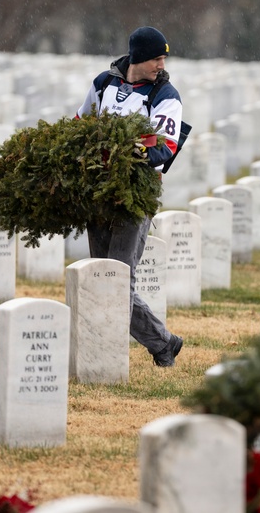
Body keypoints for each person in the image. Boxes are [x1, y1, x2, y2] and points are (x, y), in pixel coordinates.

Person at [75, 26, 184, 367]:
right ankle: (159, 343)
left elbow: (165, 146)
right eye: (156, 58)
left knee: (119, 279)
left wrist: (128, 153)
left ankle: (161, 344)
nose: (161, 65)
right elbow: (80, 123)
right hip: (99, 191)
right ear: (138, 57)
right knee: (100, 275)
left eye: (163, 58)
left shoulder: (166, 94)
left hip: (137, 193)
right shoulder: (103, 83)